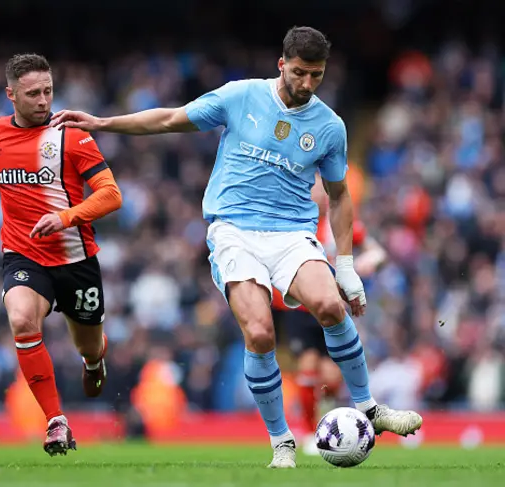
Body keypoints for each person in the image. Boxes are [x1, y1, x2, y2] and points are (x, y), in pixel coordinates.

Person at [50, 26, 422, 468]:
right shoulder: (241, 96)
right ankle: (282, 441)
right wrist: (102, 123)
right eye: (300, 73)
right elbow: (171, 119)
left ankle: (368, 408)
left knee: (329, 304)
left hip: (291, 234)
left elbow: (339, 195)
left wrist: (345, 265)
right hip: (234, 231)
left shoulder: (329, 126)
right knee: (260, 332)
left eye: (316, 76)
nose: (307, 84)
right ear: (281, 64)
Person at [0, 54, 123, 456]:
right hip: (23, 254)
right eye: (33, 93)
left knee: (88, 346)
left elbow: (111, 195)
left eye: (48, 90)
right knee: (21, 320)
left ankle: (94, 361)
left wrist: (65, 217)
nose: (44, 100)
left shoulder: (72, 136)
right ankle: (55, 421)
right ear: (10, 95)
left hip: (75, 259)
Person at [272, 174, 388, 456]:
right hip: (300, 309)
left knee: (331, 375)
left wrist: (367, 261)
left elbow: (377, 252)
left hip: (333, 306)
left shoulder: (340, 225)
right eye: (311, 190)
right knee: (308, 367)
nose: (317, 196)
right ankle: (311, 429)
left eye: (320, 191)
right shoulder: (294, 224)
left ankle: (329, 423)